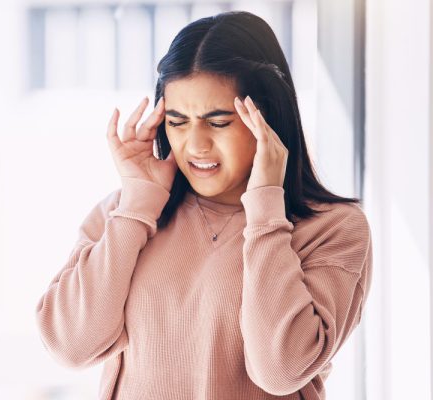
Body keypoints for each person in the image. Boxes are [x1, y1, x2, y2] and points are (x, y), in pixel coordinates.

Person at [36, 10, 372, 400]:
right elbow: (69, 345)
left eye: (217, 122)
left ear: (266, 117)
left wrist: (265, 210)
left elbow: (280, 370)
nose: (195, 145)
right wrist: (136, 207)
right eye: (177, 121)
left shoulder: (333, 228)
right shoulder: (126, 212)